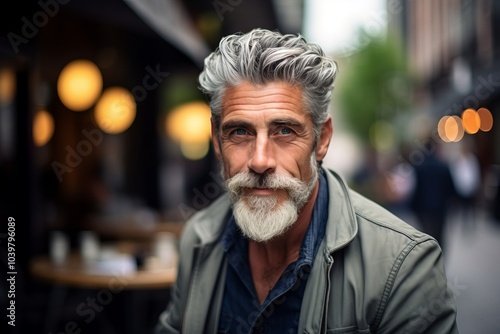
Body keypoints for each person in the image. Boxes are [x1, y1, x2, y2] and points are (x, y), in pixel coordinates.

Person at [155, 28, 458, 333]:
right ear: (217, 143)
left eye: (284, 130)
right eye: (240, 132)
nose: (260, 161)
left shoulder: (403, 267)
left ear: (321, 139)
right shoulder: (198, 240)